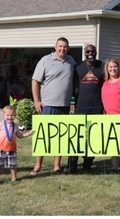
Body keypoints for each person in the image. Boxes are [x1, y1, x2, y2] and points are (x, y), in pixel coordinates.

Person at [31, 37, 75, 176]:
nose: (62, 49)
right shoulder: (45, 60)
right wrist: (36, 101)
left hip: (64, 106)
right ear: (55, 47)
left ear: (68, 48)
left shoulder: (71, 61)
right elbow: (35, 81)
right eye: (60, 46)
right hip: (47, 105)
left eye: (65, 47)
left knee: (61, 137)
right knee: (44, 137)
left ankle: (57, 165)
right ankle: (38, 166)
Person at [69, 44, 105, 174]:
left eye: (93, 51)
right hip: (81, 106)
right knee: (77, 136)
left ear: (96, 52)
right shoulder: (78, 67)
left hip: (96, 107)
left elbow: (113, 76)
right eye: (88, 51)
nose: (90, 53)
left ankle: (87, 165)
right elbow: (71, 84)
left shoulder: (102, 66)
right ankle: (72, 165)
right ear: (85, 53)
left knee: (92, 137)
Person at [0, 105, 33, 185]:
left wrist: (29, 133)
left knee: (13, 165)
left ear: (15, 116)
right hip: (1, 149)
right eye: (7, 115)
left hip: (12, 149)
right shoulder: (0, 125)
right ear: (3, 115)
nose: (10, 117)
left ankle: (14, 178)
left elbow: (20, 135)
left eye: (12, 115)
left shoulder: (15, 126)